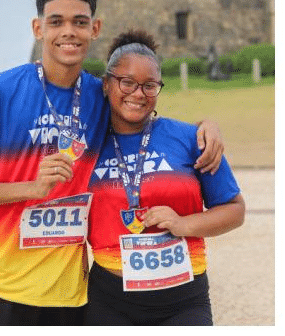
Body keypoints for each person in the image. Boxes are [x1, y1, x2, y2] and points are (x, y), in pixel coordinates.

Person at [0, 0, 223, 326]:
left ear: (94, 29)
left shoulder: (101, 95)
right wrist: (30, 188)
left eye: (79, 22)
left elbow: (146, 116)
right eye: (56, 22)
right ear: (38, 28)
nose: (68, 31)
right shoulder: (0, 90)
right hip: (2, 283)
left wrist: (206, 127)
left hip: (71, 290)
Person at [83, 30, 245, 325]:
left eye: (149, 85)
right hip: (109, 301)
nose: (138, 93)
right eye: (127, 82)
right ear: (107, 84)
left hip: (183, 301)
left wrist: (185, 224)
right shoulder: (88, 147)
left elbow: (235, 210)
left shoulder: (188, 138)